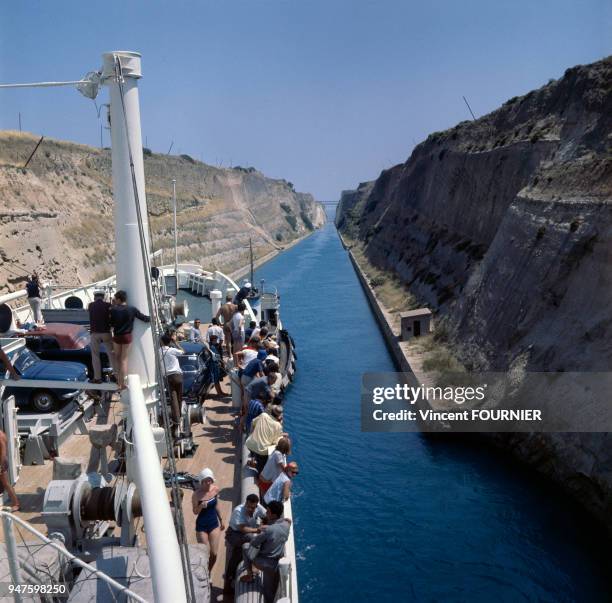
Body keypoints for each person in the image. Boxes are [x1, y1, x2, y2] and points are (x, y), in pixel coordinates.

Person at [240, 500, 291, 603]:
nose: (266, 513)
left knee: (245, 547)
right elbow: (288, 520)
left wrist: (261, 529)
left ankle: (250, 575)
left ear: (273, 514)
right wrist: (268, 527)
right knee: (269, 590)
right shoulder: (286, 525)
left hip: (265, 563)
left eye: (268, 512)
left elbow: (254, 542)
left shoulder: (268, 530)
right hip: (276, 564)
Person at [224, 493, 267, 592]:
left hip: (244, 535)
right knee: (252, 539)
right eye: (248, 506)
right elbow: (242, 528)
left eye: (253, 507)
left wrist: (263, 523)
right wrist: (257, 530)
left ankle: (229, 582)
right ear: (245, 503)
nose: (250, 509)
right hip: (234, 534)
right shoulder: (238, 511)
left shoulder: (258, 507)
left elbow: (266, 516)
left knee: (237, 556)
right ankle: (252, 567)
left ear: (256, 505)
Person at [109, 290, 150, 389]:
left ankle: (117, 380)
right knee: (124, 360)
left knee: (117, 358)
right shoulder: (132, 309)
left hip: (117, 336)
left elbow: (111, 324)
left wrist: (112, 306)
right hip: (127, 336)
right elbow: (145, 319)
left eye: (115, 299)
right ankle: (122, 383)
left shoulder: (113, 310)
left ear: (118, 299)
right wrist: (154, 316)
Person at [192, 468, 225, 571]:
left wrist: (221, 520)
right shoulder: (196, 494)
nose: (207, 482)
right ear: (201, 481)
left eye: (209, 480)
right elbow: (195, 511)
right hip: (201, 525)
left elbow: (217, 506)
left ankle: (208, 571)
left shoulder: (215, 490)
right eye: (205, 480)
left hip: (213, 523)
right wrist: (201, 506)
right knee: (204, 553)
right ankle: (204, 571)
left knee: (214, 553)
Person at [245, 404, 286, 474]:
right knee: (263, 467)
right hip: (262, 452)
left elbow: (252, 422)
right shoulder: (278, 426)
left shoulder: (263, 415)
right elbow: (276, 442)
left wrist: (251, 434)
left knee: (257, 448)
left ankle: (253, 460)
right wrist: (281, 427)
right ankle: (259, 469)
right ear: (279, 416)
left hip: (250, 444)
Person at [88, 290, 117, 383]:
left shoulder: (91, 305)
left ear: (95, 297)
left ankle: (97, 378)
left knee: (95, 356)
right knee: (111, 355)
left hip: (94, 333)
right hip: (106, 332)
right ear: (103, 297)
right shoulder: (108, 305)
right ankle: (116, 375)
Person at [160, 334, 184, 433]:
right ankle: (180, 417)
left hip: (168, 377)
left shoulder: (159, 351)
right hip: (177, 376)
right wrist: (175, 342)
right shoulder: (172, 350)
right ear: (169, 342)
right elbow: (183, 352)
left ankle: (177, 421)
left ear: (161, 342)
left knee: (173, 399)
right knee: (179, 398)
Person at [0, 431, 19, 511]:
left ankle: (16, 504)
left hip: (1, 461)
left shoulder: (0, 436)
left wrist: (0, 465)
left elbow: (3, 452)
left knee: (6, 483)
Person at [215, 295, 236, 360]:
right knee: (235, 340)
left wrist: (220, 324)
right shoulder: (235, 306)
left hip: (226, 324)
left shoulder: (223, 307)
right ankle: (235, 353)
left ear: (226, 299)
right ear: (231, 299)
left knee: (228, 340)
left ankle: (230, 355)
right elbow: (241, 312)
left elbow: (216, 317)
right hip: (234, 324)